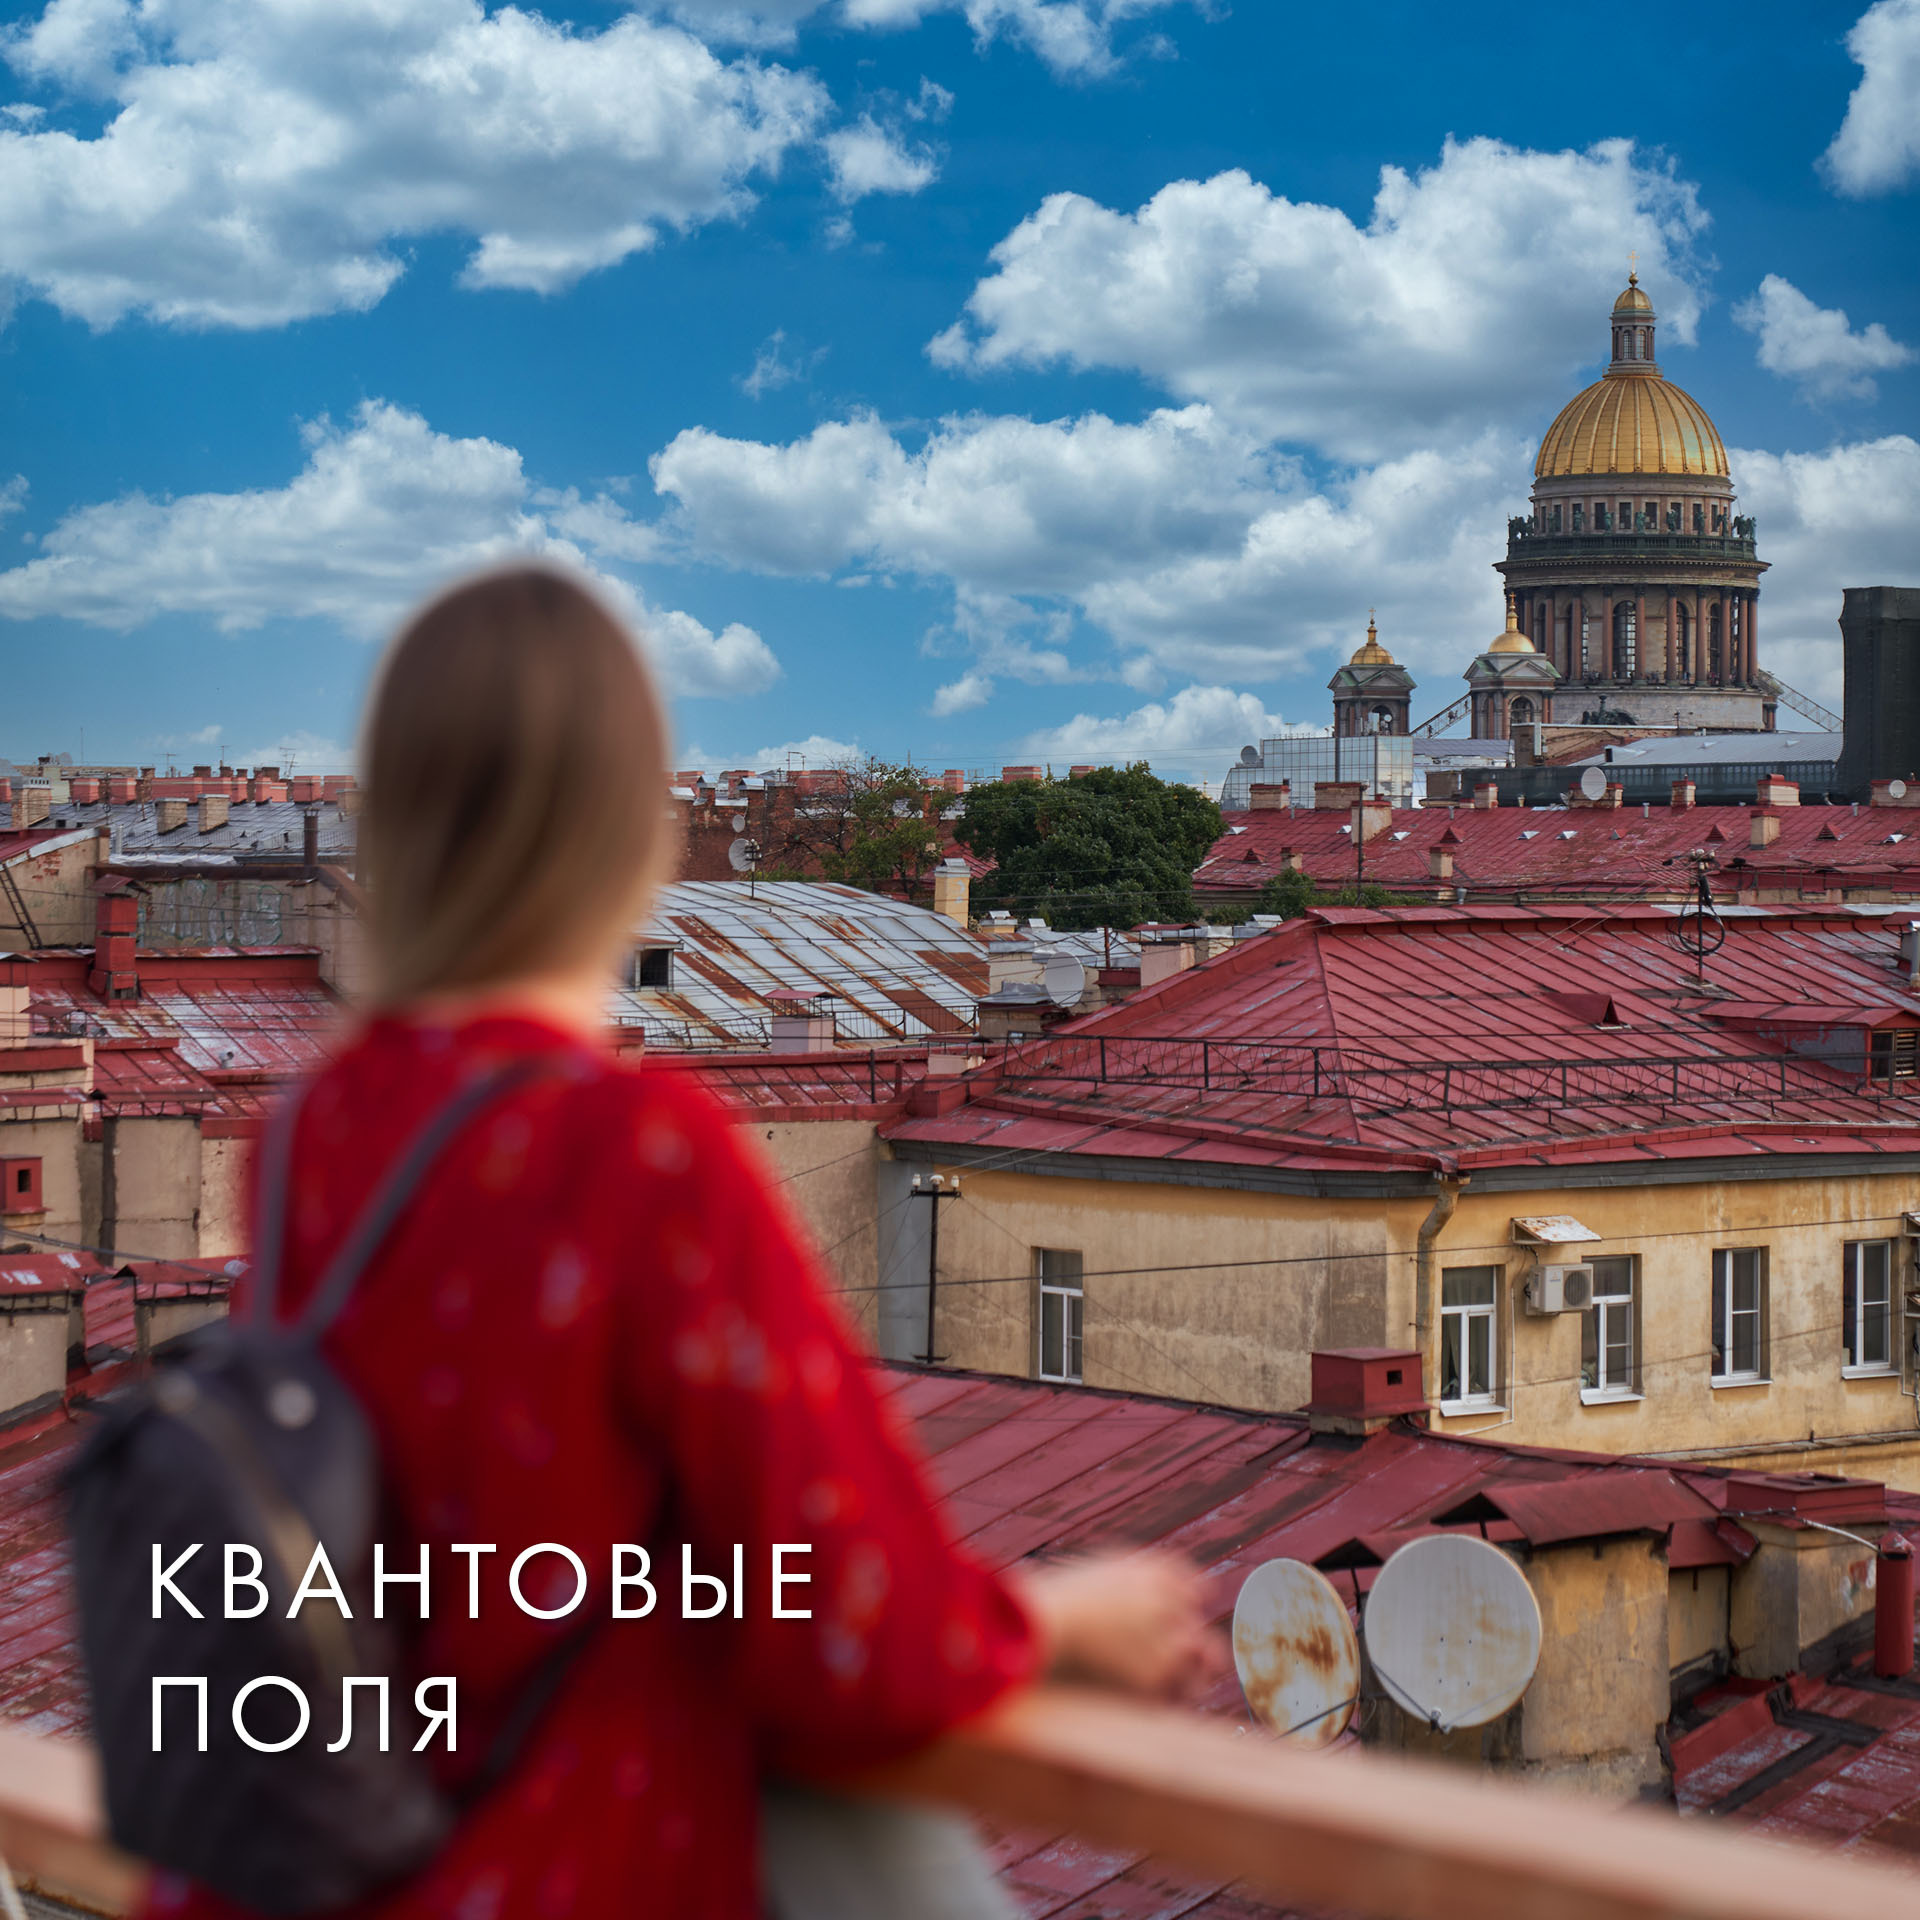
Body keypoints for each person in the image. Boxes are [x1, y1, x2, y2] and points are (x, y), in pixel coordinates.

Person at [148, 566, 1217, 1920]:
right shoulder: (636, 1151)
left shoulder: (314, 1133)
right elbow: (846, 1621)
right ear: (632, 837)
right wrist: (1074, 1621)